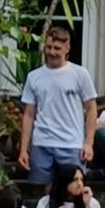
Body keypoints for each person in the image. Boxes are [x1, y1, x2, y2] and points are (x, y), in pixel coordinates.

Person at [17, 25, 96, 185]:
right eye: (49, 47)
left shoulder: (80, 74)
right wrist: (24, 149)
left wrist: (88, 143)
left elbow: (91, 108)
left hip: (71, 145)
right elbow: (29, 114)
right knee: (40, 191)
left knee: (72, 190)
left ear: (67, 48)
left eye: (57, 48)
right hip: (41, 145)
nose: (52, 52)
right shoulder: (34, 77)